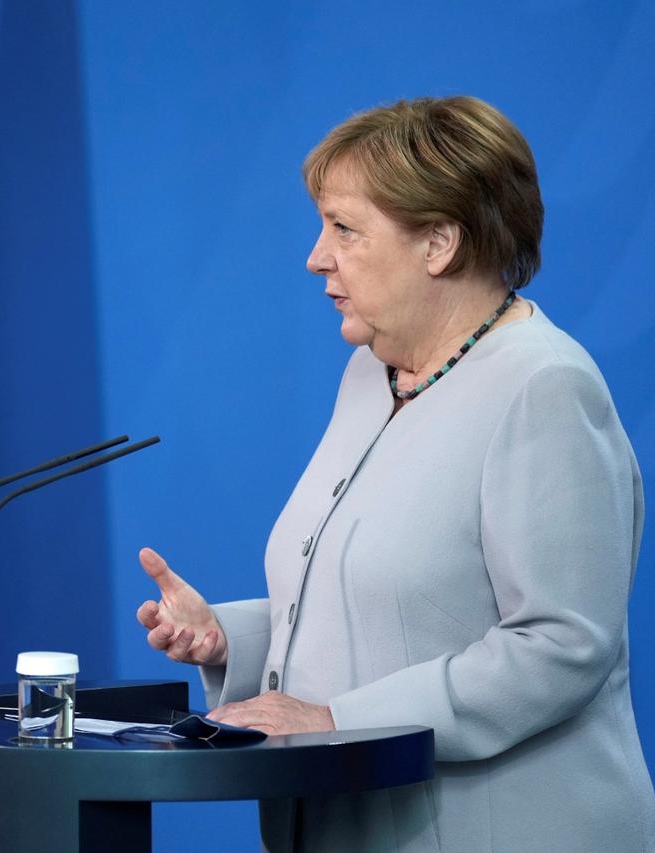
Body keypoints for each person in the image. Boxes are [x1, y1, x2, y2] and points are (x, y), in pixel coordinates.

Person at [136, 96, 655, 851]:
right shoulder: (368, 374)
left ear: (440, 242)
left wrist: (335, 722)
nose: (316, 255)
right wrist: (230, 640)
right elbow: (381, 604)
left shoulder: (543, 386)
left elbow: (560, 643)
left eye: (344, 228)